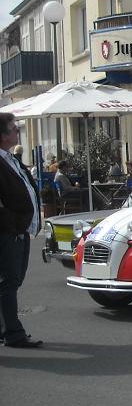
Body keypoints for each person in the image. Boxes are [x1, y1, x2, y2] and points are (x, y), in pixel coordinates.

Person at [0, 112, 43, 347]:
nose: (18, 131)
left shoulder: (11, 159)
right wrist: (12, 223)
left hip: (19, 230)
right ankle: (13, 333)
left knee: (14, 280)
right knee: (9, 282)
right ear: (3, 135)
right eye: (14, 128)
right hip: (9, 232)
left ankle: (5, 329)